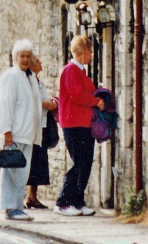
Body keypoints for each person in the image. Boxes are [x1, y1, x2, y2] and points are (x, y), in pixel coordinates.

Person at [55, 35, 105, 216]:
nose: (92, 54)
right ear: (84, 52)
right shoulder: (71, 70)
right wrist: (96, 101)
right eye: (90, 51)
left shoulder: (79, 71)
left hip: (82, 123)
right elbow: (77, 95)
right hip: (73, 123)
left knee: (85, 163)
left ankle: (77, 201)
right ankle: (63, 202)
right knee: (80, 162)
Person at [0, 39, 42, 221]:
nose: (25, 59)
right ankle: (9, 208)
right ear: (16, 57)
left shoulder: (30, 77)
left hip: (27, 134)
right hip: (14, 134)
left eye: (28, 56)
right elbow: (5, 105)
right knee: (10, 172)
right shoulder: (11, 76)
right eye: (22, 56)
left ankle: (17, 206)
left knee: (21, 174)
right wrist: (6, 131)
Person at [25, 55, 57, 209]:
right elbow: (27, 101)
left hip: (41, 125)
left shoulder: (39, 82)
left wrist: (51, 103)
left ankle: (33, 196)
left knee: (39, 161)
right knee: (29, 161)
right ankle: (24, 196)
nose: (41, 63)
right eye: (38, 61)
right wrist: (45, 103)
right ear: (32, 65)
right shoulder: (27, 81)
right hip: (31, 127)